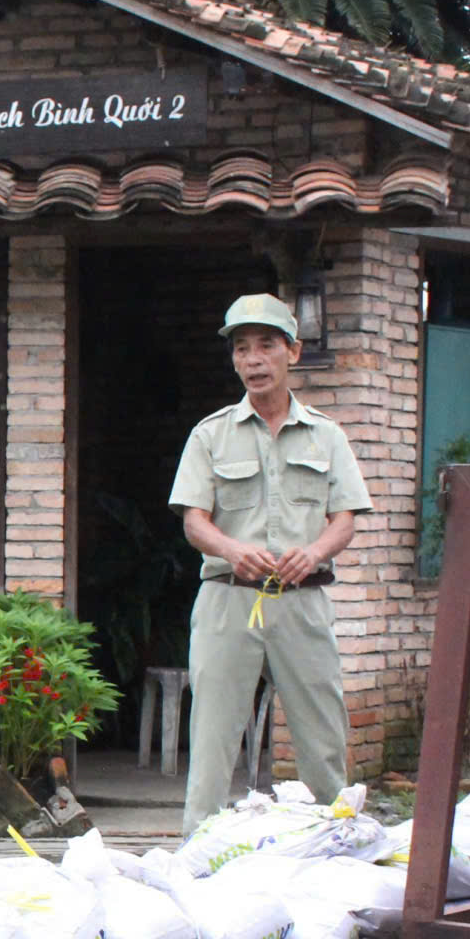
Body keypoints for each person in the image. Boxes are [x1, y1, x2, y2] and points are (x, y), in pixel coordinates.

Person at [168, 293, 373, 834]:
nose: (253, 360)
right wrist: (233, 549)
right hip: (228, 601)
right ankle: (198, 856)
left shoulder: (327, 435)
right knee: (212, 738)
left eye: (265, 346)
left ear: (293, 352)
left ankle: (341, 845)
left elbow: (345, 518)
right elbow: (195, 521)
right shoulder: (209, 434)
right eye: (241, 349)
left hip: (302, 604)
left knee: (323, 739)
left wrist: (316, 551)